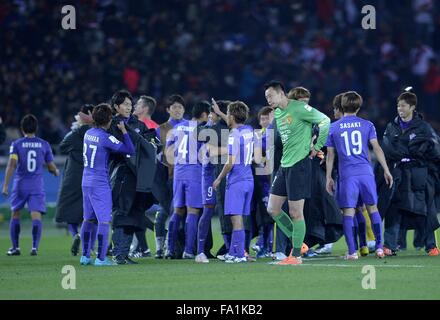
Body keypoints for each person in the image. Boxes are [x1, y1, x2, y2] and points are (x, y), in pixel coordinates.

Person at [264, 80, 330, 265]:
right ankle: (298, 242)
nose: (268, 100)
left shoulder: (299, 108)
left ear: (281, 93)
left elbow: (325, 121)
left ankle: (296, 256)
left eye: (270, 96)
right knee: (273, 209)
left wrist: (316, 146)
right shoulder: (277, 113)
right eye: (266, 97)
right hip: (284, 166)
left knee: (295, 212)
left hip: (300, 165)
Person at [325, 91, 393, 259]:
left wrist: (328, 177)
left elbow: (330, 155)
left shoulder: (333, 127)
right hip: (366, 173)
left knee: (348, 212)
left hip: (348, 175)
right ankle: (378, 247)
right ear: (359, 106)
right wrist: (386, 169)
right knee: (372, 209)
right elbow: (376, 148)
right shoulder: (367, 124)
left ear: (341, 106)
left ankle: (352, 251)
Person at [379, 90, 440, 256]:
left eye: (403, 106)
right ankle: (389, 246)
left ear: (412, 107)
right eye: (398, 105)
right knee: (394, 208)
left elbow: (434, 149)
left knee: (426, 208)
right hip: (399, 173)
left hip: (420, 173)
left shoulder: (423, 127)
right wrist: (411, 150)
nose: (400, 109)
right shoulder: (392, 127)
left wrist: (411, 152)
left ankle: (431, 245)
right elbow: (387, 148)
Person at [79, 103, 135, 266]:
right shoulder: (106, 138)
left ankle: (85, 256)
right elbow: (129, 150)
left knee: (88, 219)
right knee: (104, 221)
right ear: (109, 120)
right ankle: (101, 258)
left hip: (86, 180)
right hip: (99, 182)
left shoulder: (88, 133)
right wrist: (124, 132)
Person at [108, 90, 158, 265]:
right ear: (116, 107)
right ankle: (118, 253)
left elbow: (149, 145)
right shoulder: (112, 125)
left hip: (138, 176)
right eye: (125, 105)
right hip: (122, 174)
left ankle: (124, 252)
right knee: (122, 212)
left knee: (134, 213)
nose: (129, 108)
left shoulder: (139, 124)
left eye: (130, 104)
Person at [2, 114, 59, 256]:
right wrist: (56, 172)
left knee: (16, 213)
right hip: (36, 185)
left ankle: (15, 247)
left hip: (20, 184)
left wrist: (5, 186)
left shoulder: (16, 144)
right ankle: (34, 247)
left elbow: (11, 165)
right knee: (36, 215)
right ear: (36, 128)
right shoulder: (44, 144)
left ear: (22, 129)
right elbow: (51, 166)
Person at [213, 101, 258, 263]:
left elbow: (230, 162)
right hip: (248, 180)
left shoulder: (233, 135)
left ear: (232, 116)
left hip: (236, 181)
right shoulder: (249, 130)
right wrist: (221, 112)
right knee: (240, 218)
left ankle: (239, 255)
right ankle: (234, 252)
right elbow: (234, 120)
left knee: (235, 219)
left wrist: (219, 178)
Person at [165, 101, 209, 259]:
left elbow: (168, 153)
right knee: (193, 211)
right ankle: (188, 250)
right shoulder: (203, 130)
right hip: (194, 173)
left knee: (177, 211)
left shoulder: (177, 128)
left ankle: (169, 249)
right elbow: (206, 153)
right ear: (204, 115)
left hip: (178, 171)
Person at [55, 104, 94, 256]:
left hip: (73, 175)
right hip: (91, 174)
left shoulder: (76, 133)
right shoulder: (98, 132)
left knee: (69, 210)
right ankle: (90, 246)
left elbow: (62, 147)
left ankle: (74, 234)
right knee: (90, 213)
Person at [153, 94, 185, 258]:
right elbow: (158, 156)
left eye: (180, 107)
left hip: (186, 177)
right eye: (174, 107)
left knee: (179, 212)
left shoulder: (190, 126)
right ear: (168, 109)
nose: (177, 110)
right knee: (165, 211)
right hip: (168, 177)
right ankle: (161, 247)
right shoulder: (161, 130)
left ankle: (175, 247)